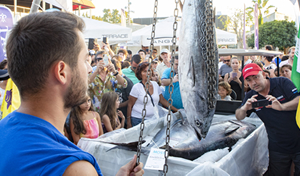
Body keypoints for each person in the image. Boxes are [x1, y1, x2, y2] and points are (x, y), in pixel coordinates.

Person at [0, 12, 144, 176]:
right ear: (61, 72)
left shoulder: (4, 130)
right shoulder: (74, 168)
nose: (90, 69)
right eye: (84, 60)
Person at [235, 63, 300, 176]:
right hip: (278, 147)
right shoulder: (251, 96)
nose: (254, 82)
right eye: (249, 80)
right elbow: (238, 116)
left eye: (256, 77)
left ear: (264, 74)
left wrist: (282, 107)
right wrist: (244, 108)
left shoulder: (281, 82)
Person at [127, 62, 177, 128]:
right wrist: (129, 123)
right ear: (140, 74)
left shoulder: (155, 85)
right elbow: (130, 105)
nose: (148, 73)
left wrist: (176, 110)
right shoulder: (136, 87)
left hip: (153, 119)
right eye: (145, 71)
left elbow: (162, 100)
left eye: (149, 70)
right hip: (138, 119)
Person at [111, 58, 134, 124]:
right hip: (113, 115)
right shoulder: (110, 79)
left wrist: (118, 105)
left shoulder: (127, 82)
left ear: (118, 69)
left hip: (124, 115)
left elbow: (131, 100)